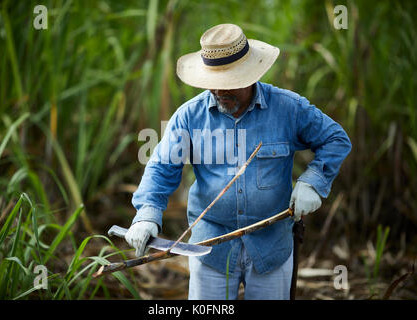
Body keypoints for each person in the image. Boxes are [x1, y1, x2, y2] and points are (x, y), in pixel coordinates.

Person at [124, 23, 352, 299]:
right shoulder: (190, 116)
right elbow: (161, 167)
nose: (219, 92)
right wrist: (147, 214)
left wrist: (313, 182)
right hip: (210, 249)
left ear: (250, 76)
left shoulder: (288, 108)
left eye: (228, 84)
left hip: (272, 246)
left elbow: (335, 139)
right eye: (213, 84)